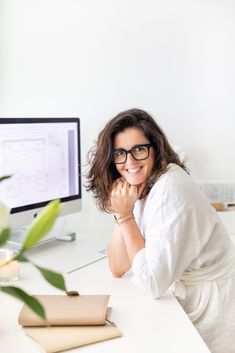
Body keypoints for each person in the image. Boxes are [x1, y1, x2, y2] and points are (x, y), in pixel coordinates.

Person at [86, 108, 235, 353]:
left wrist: (125, 216)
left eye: (138, 149)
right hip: (189, 294)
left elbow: (152, 283)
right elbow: (117, 267)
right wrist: (122, 209)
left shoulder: (170, 189)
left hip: (214, 306)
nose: (130, 162)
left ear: (155, 148)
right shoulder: (140, 186)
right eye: (119, 154)